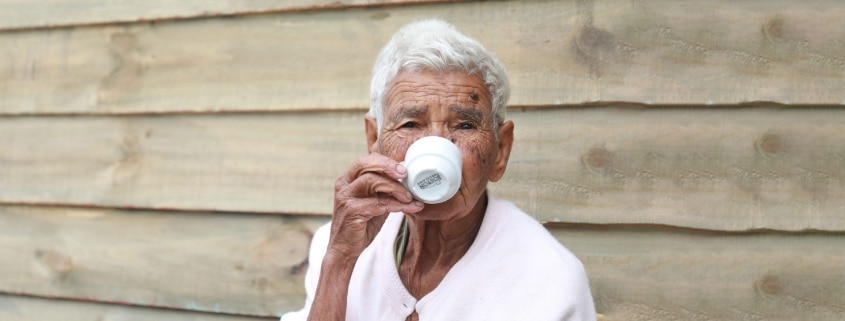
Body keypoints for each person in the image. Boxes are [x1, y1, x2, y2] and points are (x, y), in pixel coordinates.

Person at [282, 19, 596, 321]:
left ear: (501, 150)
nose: (435, 146)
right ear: (374, 140)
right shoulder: (337, 245)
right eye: (410, 124)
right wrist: (338, 262)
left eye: (464, 125)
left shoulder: (549, 282)